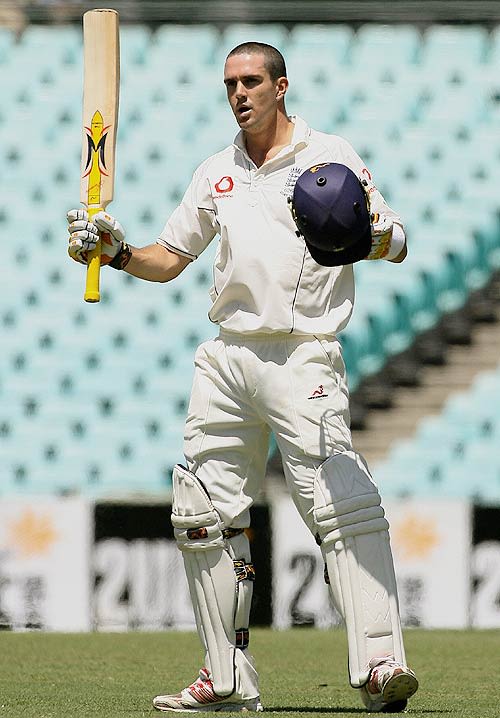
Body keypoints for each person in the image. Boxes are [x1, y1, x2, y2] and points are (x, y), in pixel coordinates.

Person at [67, 42, 418, 713]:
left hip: (303, 351)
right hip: (228, 356)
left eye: (252, 81)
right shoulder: (216, 171)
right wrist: (112, 251)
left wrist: (362, 238)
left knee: (340, 504)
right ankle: (225, 679)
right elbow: (168, 259)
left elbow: (395, 238)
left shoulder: (328, 155)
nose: (239, 93)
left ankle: (379, 665)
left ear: (281, 86)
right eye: (230, 83)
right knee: (202, 514)